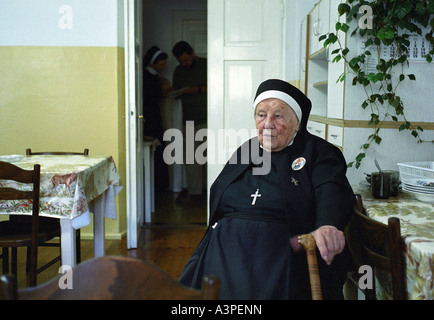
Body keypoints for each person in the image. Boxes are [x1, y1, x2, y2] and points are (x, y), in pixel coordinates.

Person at [178, 79, 355, 299]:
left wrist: (328, 224)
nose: (267, 124)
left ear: (298, 123)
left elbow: (332, 190)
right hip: (224, 249)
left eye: (278, 116)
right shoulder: (247, 149)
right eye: (261, 115)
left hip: (280, 251)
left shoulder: (319, 152)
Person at [171, 41, 207, 202]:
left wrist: (197, 89)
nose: (184, 64)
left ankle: (212, 192)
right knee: (192, 159)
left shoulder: (207, 64)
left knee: (212, 157)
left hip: (209, 120)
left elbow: (218, 86)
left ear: (192, 53)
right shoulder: (178, 71)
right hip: (189, 121)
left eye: (186, 60)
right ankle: (195, 194)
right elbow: (175, 90)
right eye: (181, 61)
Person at [143, 45, 169, 190]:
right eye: (162, 63)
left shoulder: (153, 76)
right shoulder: (147, 77)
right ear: (153, 62)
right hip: (150, 118)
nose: (164, 66)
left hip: (154, 116)